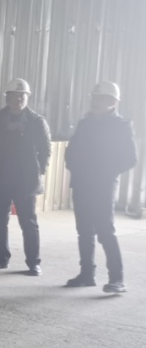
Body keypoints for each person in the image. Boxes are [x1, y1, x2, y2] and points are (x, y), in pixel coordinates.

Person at [64, 81, 137, 294]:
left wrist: (105, 173)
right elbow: (72, 151)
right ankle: (87, 274)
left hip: (103, 186)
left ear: (113, 102)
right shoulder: (85, 124)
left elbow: (130, 158)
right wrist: (74, 167)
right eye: (95, 98)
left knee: (105, 231)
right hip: (82, 184)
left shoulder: (121, 126)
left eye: (101, 98)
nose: (96, 102)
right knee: (84, 231)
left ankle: (117, 279)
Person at [0, 78, 51, 276]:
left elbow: (45, 150)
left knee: (28, 222)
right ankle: (0, 259)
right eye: (14, 96)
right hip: (0, 178)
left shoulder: (37, 122)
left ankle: (34, 263)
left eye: (22, 96)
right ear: (7, 98)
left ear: (27, 97)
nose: (18, 100)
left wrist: (39, 171)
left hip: (25, 180)